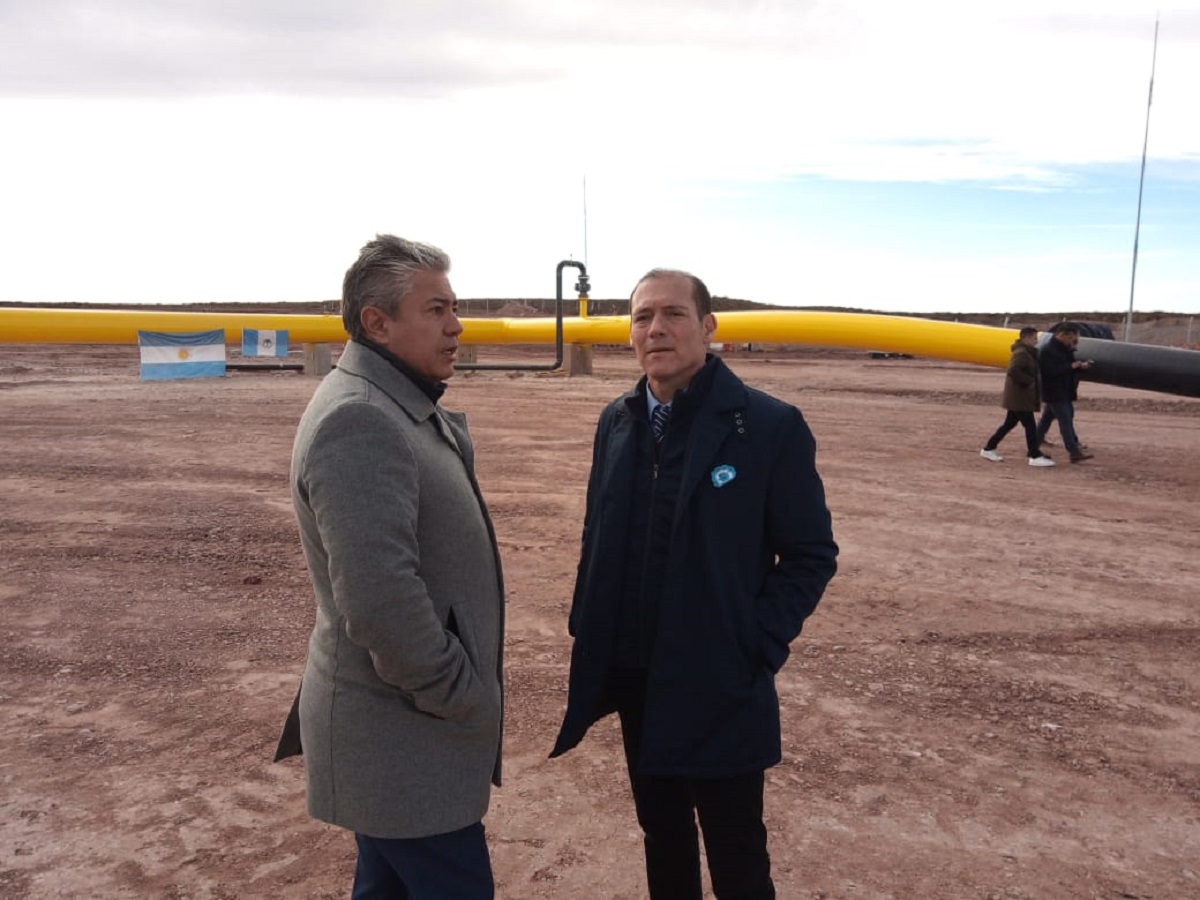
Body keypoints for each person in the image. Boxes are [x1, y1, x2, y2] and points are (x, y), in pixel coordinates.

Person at [550, 268, 839, 899]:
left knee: (736, 852)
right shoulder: (618, 420)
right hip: (637, 678)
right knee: (663, 836)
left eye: (674, 314)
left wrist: (756, 641)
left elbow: (811, 553)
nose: (656, 329)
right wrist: (587, 623)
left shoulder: (768, 426)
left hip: (720, 680)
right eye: (641, 317)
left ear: (707, 327)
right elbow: (597, 529)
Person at [275, 235, 505, 899]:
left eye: (453, 307)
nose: (456, 325)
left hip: (400, 738)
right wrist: (459, 693)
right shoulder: (362, 419)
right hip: (402, 737)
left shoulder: (394, 402)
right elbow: (379, 601)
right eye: (436, 309)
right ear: (378, 323)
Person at [980, 327, 1056, 467]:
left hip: (1019, 397)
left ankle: (989, 448)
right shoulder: (1021, 353)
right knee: (1030, 426)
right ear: (1026, 338)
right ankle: (1034, 455)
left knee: (1009, 424)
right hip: (1020, 397)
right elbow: (1013, 370)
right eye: (1034, 338)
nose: (1036, 341)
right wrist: (1029, 382)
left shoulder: (1026, 352)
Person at [1035, 323, 1094, 463]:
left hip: (1063, 391)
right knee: (1065, 421)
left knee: (1046, 421)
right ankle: (1074, 452)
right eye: (1071, 338)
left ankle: (1033, 446)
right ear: (1063, 335)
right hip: (1055, 392)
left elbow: (1068, 367)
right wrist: (1071, 366)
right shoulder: (1048, 350)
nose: (1072, 341)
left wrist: (1081, 367)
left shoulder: (1064, 349)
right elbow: (1048, 372)